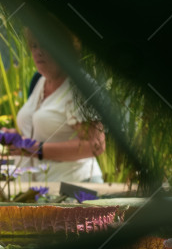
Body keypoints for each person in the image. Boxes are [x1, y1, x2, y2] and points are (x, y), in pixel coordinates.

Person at [8, 29, 105, 183]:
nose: (39, 52)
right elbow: (40, 132)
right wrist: (13, 136)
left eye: (45, 45)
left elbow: (96, 145)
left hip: (77, 187)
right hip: (45, 188)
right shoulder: (40, 81)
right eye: (34, 46)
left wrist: (37, 150)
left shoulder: (78, 87)